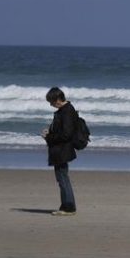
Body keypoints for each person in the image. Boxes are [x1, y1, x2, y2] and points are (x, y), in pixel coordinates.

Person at [42, 87, 79, 216]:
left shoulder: (67, 111)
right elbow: (62, 131)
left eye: (51, 101)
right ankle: (66, 206)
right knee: (62, 178)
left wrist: (49, 137)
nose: (50, 104)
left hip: (63, 150)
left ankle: (68, 207)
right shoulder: (63, 110)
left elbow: (66, 134)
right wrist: (50, 132)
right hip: (60, 150)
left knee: (63, 178)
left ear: (58, 99)